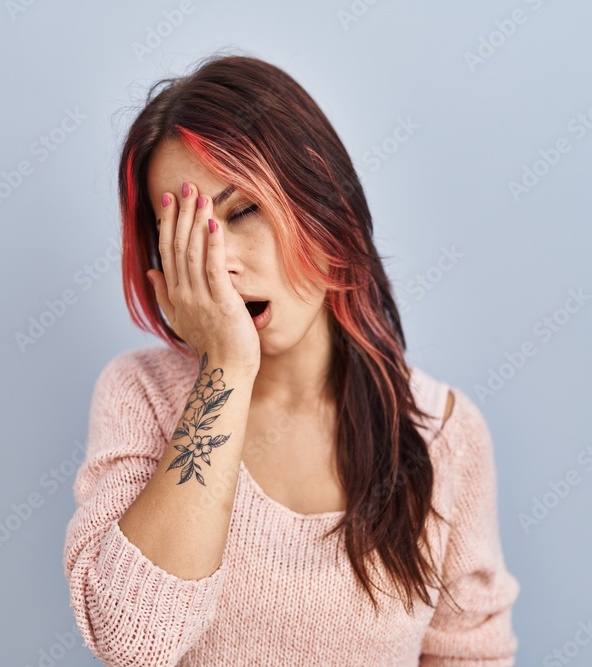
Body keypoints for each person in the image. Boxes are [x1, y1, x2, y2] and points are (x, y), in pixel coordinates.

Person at [63, 51, 520, 666]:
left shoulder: (444, 435)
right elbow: (133, 641)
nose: (218, 263)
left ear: (323, 203)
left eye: (241, 211)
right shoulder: (140, 395)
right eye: (186, 237)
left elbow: (471, 656)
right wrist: (224, 368)